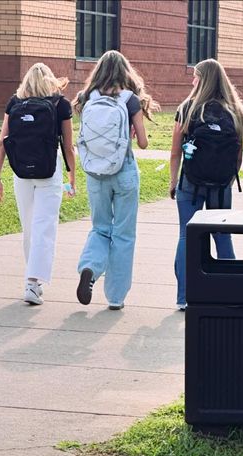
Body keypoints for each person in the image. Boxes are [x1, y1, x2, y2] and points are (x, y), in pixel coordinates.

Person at [73, 50, 159, 310]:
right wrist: (132, 134)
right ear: (125, 72)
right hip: (123, 173)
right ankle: (115, 297)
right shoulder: (130, 99)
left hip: (96, 174)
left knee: (99, 228)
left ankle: (89, 266)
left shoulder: (87, 97)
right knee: (123, 235)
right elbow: (143, 143)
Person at [0, 62, 76, 305]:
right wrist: (71, 177)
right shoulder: (60, 104)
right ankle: (32, 282)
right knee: (44, 226)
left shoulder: (14, 103)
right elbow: (68, 146)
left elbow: (2, 142)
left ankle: (32, 282)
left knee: (29, 227)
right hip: (49, 172)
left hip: (21, 173)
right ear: (50, 80)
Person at [169, 58, 243, 311]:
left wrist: (173, 181)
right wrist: (225, 177)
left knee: (186, 235)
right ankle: (233, 293)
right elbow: (238, 155)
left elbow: (175, 151)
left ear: (202, 79)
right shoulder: (235, 110)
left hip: (190, 182)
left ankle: (183, 297)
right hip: (221, 185)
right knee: (222, 237)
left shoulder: (188, 108)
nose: (192, 80)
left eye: (195, 76)